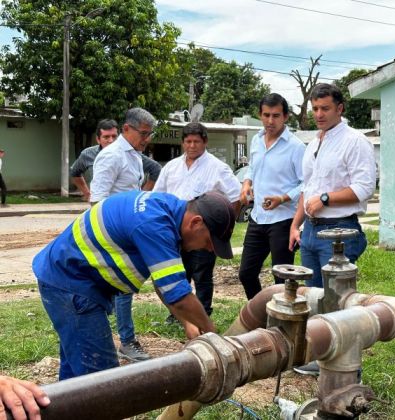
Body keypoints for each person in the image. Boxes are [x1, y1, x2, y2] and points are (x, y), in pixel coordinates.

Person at [33, 190, 235, 380]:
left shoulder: (167, 212)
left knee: (77, 374)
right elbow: (178, 296)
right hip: (70, 284)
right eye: (209, 241)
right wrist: (211, 332)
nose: (209, 249)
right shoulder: (155, 225)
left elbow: (163, 283)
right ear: (196, 222)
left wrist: (188, 323)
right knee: (101, 381)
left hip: (67, 278)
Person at [289, 84, 376, 376]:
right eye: (315, 109)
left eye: (325, 108)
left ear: (340, 108)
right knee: (314, 298)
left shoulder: (355, 142)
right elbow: (307, 188)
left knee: (337, 301)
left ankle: (349, 370)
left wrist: (326, 199)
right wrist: (295, 224)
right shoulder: (313, 144)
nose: (319, 114)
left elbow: (365, 188)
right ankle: (322, 356)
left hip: (339, 231)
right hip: (311, 231)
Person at [89, 108, 158, 363]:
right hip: (112, 232)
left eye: (149, 134)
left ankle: (114, 337)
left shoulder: (135, 156)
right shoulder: (112, 156)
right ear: (126, 129)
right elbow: (97, 201)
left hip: (127, 230)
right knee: (122, 286)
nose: (146, 139)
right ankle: (126, 341)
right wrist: (108, 238)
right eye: (143, 133)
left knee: (120, 286)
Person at [153, 122, 240, 320]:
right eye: (188, 141)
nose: (192, 146)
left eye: (196, 142)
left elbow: (236, 198)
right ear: (183, 143)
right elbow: (158, 196)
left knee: (202, 275)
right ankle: (178, 314)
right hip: (175, 230)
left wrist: (223, 227)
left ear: (205, 142)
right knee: (177, 273)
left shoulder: (218, 168)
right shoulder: (172, 167)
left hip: (203, 231)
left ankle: (203, 312)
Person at [238, 93, 305, 299]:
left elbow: (306, 184)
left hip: (283, 221)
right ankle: (260, 315)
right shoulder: (256, 141)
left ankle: (284, 321)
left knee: (282, 278)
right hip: (258, 218)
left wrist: (283, 198)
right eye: (266, 115)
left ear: (285, 117)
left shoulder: (296, 147)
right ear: (260, 115)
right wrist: (247, 183)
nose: (270, 121)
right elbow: (252, 168)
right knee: (246, 274)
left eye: (276, 115)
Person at [70, 119, 161, 202]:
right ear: (98, 139)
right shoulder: (88, 154)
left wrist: (142, 197)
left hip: (124, 207)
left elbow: (156, 169)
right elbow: (74, 173)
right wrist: (87, 193)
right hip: (100, 204)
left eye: (114, 136)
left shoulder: (131, 154)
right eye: (106, 137)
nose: (111, 140)